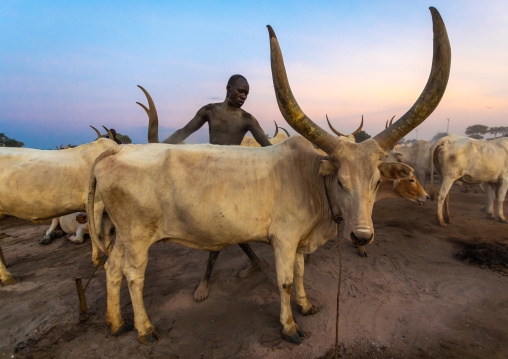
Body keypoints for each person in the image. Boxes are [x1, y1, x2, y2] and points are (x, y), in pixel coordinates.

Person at [139, 75, 272, 301]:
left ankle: (207, 278)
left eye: (247, 93)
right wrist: (158, 149)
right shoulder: (209, 111)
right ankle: (255, 261)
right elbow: (184, 132)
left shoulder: (247, 119)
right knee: (227, 224)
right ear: (228, 88)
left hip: (231, 178)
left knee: (220, 224)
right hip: (209, 174)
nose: (244, 96)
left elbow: (268, 149)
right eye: (240, 91)